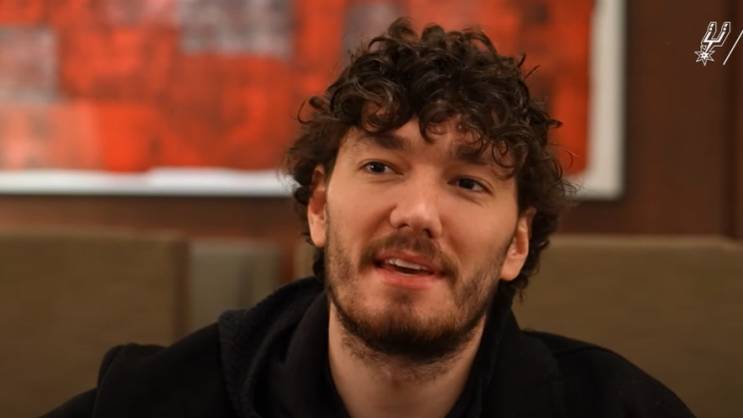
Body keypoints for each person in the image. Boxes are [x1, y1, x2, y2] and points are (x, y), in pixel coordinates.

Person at [44, 18, 693, 418]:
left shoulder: (620, 408)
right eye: (381, 166)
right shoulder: (152, 399)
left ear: (517, 243)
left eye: (467, 182)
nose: (417, 213)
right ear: (320, 207)